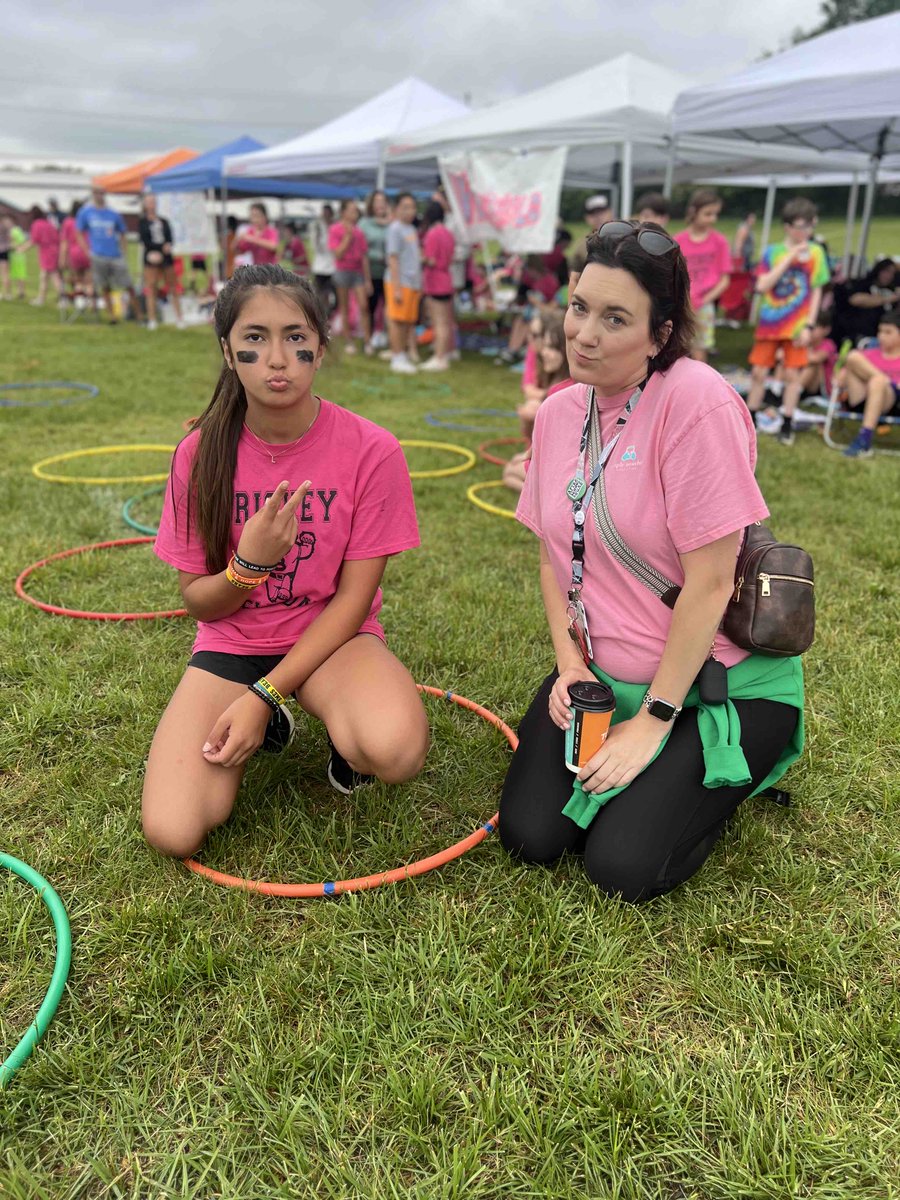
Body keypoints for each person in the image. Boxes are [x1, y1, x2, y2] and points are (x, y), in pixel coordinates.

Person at [499, 219, 803, 902]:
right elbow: (552, 558)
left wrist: (655, 723)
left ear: (660, 334)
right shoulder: (556, 413)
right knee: (531, 838)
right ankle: (646, 780)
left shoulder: (696, 403)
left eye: (615, 318)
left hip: (713, 687)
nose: (583, 333)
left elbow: (712, 581)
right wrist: (570, 666)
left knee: (622, 867)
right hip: (603, 681)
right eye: (580, 307)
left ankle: (714, 780)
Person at [143, 264, 428, 858]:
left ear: (320, 349)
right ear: (227, 350)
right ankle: (273, 720)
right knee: (174, 831)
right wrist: (248, 565)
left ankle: (305, 718)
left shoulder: (373, 450)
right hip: (233, 642)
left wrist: (264, 692)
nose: (277, 358)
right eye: (255, 339)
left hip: (331, 637)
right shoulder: (200, 453)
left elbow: (352, 602)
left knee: (394, 750)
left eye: (296, 339)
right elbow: (197, 598)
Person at [745, 197, 831, 446]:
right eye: (799, 226)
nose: (804, 232)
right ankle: (750, 419)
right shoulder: (772, 252)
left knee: (793, 374)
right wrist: (790, 256)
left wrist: (809, 325)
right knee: (759, 371)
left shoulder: (816, 253)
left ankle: (786, 421)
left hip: (797, 325)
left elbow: (816, 292)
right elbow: (761, 286)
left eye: (809, 227)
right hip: (770, 323)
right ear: (787, 226)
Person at [504, 311, 570, 494]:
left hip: (560, 468)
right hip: (549, 461)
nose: (544, 352)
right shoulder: (553, 380)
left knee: (509, 473)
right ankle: (540, 495)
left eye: (553, 347)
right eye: (545, 346)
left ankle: (543, 495)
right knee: (510, 472)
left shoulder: (567, 389)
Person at [674, 188, 731, 364]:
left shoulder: (719, 241)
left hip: (705, 305)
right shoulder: (678, 240)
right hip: (681, 303)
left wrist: (705, 300)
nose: (712, 219)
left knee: (700, 351)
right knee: (677, 348)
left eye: (715, 214)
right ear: (693, 212)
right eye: (707, 214)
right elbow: (672, 275)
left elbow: (725, 279)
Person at [841, 310, 900, 458]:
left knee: (877, 381)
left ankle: (864, 439)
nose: (881, 336)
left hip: (891, 403)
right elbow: (840, 380)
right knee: (854, 356)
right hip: (860, 398)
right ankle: (864, 441)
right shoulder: (869, 354)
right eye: (880, 331)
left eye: (888, 332)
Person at [75, 186, 134, 321]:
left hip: (115, 254)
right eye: (96, 193)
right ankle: (111, 314)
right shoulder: (86, 213)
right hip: (98, 254)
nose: (99, 196)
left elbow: (123, 233)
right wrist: (86, 250)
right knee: (105, 286)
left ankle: (136, 313)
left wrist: (123, 251)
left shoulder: (113, 214)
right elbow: (78, 232)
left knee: (127, 284)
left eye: (101, 193)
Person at [328, 199, 371, 355]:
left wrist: (367, 280)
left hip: (358, 272)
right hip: (342, 271)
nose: (355, 213)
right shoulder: (335, 229)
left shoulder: (360, 232)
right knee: (344, 307)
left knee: (364, 306)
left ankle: (367, 341)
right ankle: (349, 341)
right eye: (352, 210)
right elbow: (337, 253)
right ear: (343, 212)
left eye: (356, 211)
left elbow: (364, 256)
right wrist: (347, 237)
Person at [385, 192, 422, 376]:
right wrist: (397, 287)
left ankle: (403, 353)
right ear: (397, 209)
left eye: (412, 207)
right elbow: (393, 258)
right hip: (399, 282)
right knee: (397, 320)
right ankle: (397, 356)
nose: (410, 211)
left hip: (413, 283)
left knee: (407, 320)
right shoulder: (395, 229)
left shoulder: (411, 229)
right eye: (405, 207)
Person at [138, 193, 184, 331]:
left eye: (153, 202)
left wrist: (167, 246)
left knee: (172, 286)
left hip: (166, 258)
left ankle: (179, 317)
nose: (151, 205)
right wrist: (157, 250)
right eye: (149, 202)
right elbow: (144, 239)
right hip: (151, 258)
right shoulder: (143, 222)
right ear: (145, 205)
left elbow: (170, 237)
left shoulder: (164, 221)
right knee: (151, 288)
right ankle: (152, 319)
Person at [420, 200, 456, 372]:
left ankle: (439, 357)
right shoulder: (448, 233)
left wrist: (421, 257)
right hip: (447, 279)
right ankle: (448, 351)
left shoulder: (432, 234)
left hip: (435, 281)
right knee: (447, 321)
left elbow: (431, 259)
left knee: (439, 322)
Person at [831, 259, 899, 346]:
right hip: (859, 332)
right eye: (886, 271)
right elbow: (855, 299)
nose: (889, 276)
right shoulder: (865, 284)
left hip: (881, 334)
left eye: (892, 273)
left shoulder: (892, 289)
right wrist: (888, 299)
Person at [358, 190, 391, 353]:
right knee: (369, 307)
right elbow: (361, 250)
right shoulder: (364, 224)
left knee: (388, 306)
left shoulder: (391, 223)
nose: (380, 204)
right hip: (369, 271)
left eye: (383, 201)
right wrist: (366, 279)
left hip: (388, 271)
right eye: (377, 201)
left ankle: (385, 336)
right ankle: (368, 339)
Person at [569, 193, 614, 292]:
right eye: (593, 214)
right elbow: (574, 278)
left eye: (601, 212)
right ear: (586, 218)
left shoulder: (625, 237)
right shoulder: (581, 246)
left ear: (610, 212)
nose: (598, 217)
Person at [25, 206, 62, 306]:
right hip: (54, 250)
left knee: (54, 276)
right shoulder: (48, 223)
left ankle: (63, 299)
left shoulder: (37, 224)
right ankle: (41, 298)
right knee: (44, 276)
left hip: (47, 252)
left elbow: (34, 240)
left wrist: (22, 248)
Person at [59, 200, 93, 301]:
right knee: (89, 281)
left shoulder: (68, 222)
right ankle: (90, 302)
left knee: (77, 280)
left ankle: (80, 302)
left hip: (74, 254)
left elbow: (64, 243)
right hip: (87, 251)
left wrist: (62, 259)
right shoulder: (87, 222)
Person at [799, 314, 838, 399]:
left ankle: (795, 392)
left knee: (813, 365)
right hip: (804, 382)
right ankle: (777, 388)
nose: (810, 331)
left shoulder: (828, 344)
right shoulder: (803, 342)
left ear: (826, 330)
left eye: (814, 328)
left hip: (820, 388)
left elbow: (816, 359)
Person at [311, 203, 336, 314]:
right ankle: (321, 314)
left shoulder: (334, 227)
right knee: (319, 293)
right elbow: (315, 246)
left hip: (332, 267)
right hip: (319, 266)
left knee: (331, 293)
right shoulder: (317, 227)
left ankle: (329, 313)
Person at [236, 203, 279, 267]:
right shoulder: (250, 232)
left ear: (265, 217)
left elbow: (274, 246)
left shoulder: (271, 231)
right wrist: (237, 240)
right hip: (257, 272)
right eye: (252, 216)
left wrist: (252, 239)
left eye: (257, 216)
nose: (254, 220)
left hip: (271, 271)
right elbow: (240, 251)